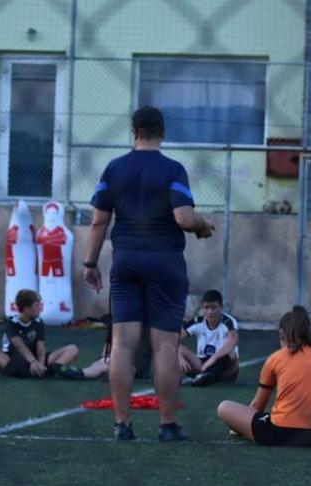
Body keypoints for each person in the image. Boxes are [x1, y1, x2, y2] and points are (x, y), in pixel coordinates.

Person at [83, 106, 214, 442]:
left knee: (122, 346)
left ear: (134, 131)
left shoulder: (114, 168)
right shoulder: (173, 169)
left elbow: (99, 221)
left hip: (126, 262)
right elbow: (184, 218)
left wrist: (90, 263)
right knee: (165, 346)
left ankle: (122, 424)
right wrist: (202, 224)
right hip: (165, 263)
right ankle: (167, 425)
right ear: (163, 132)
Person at [217, 306, 311, 447]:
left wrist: (239, 423)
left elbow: (257, 406)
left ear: (282, 333)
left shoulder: (277, 358)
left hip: (282, 433)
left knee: (224, 407)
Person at [0, 289, 83, 379]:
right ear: (27, 309)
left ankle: (53, 369)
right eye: (37, 306)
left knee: (73, 349)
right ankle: (42, 372)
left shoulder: (38, 322)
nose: (40, 308)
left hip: (35, 360)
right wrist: (32, 362)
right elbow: (19, 345)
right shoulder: (12, 322)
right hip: (13, 362)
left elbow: (40, 347)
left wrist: (40, 363)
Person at [178, 289, 240, 387]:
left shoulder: (228, 321)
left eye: (214, 307)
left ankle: (206, 376)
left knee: (232, 352)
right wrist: (179, 357)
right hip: (202, 364)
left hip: (225, 367)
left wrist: (214, 358)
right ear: (203, 308)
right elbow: (172, 340)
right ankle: (202, 376)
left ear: (221, 308)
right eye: (207, 308)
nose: (210, 311)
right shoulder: (197, 321)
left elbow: (233, 341)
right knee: (178, 348)